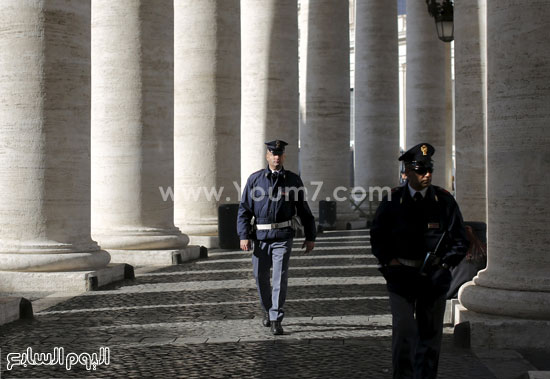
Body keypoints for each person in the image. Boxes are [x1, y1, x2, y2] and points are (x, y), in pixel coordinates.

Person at [370, 143, 469, 379]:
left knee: (430, 335)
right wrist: (389, 262)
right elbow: (378, 235)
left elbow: (459, 239)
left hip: (433, 278)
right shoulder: (393, 200)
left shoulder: (444, 201)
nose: (427, 174)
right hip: (401, 276)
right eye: (421, 169)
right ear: (407, 172)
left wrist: (445, 264)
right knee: (404, 331)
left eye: (429, 169)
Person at [237, 139, 316, 335]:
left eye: (279, 154)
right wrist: (243, 235)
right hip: (261, 237)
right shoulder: (255, 180)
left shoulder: (292, 180)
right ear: (267, 156)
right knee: (260, 276)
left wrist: (310, 236)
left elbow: (304, 210)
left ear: (283, 156)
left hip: (283, 236)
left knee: (279, 277)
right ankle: (267, 309)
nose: (276, 157)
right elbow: (244, 210)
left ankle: (275, 317)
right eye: (273, 153)